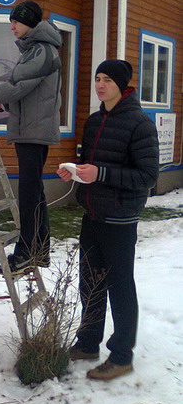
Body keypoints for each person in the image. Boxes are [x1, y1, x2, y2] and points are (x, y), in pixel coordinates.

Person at [57, 59, 159, 381]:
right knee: (90, 283)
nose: (100, 85)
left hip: (120, 219)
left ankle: (122, 356)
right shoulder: (94, 121)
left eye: (108, 80)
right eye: (97, 78)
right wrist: (75, 171)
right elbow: (90, 164)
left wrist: (100, 173)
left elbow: (148, 176)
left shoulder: (139, 124)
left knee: (120, 286)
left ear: (121, 86)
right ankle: (88, 343)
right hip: (93, 213)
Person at [0, 0, 62, 275]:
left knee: (29, 194)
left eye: (16, 21)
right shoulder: (37, 49)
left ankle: (26, 253)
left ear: (29, 22)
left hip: (34, 131)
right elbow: (28, 93)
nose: (12, 27)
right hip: (32, 128)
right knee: (34, 192)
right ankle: (40, 251)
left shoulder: (40, 51)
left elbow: (14, 88)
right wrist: (7, 102)